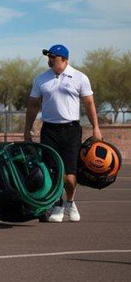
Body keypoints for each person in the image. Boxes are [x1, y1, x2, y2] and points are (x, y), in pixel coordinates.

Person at [24, 44, 102, 223]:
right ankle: (57, 204)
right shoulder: (41, 79)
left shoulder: (80, 78)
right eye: (49, 57)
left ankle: (70, 202)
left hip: (71, 130)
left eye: (54, 57)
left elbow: (89, 104)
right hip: (49, 129)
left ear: (65, 60)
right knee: (52, 170)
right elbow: (33, 105)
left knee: (69, 174)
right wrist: (27, 128)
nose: (50, 60)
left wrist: (96, 128)